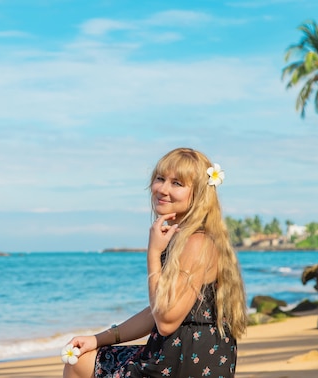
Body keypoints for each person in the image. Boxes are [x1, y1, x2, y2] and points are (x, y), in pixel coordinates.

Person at [63, 147, 247, 378]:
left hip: (183, 360)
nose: (163, 189)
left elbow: (166, 321)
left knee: (78, 365)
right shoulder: (187, 238)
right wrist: (97, 339)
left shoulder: (197, 242)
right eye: (160, 179)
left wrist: (153, 253)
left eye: (177, 183)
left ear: (199, 193)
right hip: (182, 353)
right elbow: (156, 312)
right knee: (82, 357)